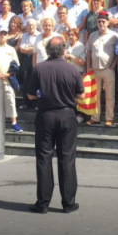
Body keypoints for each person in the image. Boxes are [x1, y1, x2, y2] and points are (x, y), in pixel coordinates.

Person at [26, 36, 85, 214]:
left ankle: (42, 202)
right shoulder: (72, 70)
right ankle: (68, 203)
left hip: (45, 115)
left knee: (44, 158)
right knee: (67, 158)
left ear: (48, 51)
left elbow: (30, 96)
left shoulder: (39, 68)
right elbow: (81, 96)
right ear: (63, 50)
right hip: (67, 115)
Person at [0, 29, 22, 133]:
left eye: (4, 35)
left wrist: (7, 74)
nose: (2, 36)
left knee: (10, 100)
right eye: (0, 34)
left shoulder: (11, 49)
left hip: (7, 80)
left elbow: (15, 65)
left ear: (7, 37)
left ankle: (14, 123)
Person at [86, 12, 118, 126]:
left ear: (108, 23)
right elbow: (89, 51)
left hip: (108, 69)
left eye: (103, 21)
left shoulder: (114, 36)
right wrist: (88, 67)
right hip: (94, 69)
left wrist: (114, 65)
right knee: (95, 96)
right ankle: (95, 117)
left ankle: (109, 118)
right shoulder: (92, 35)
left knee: (109, 96)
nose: (101, 23)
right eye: (99, 21)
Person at [19, 19, 40, 109]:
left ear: (36, 26)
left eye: (32, 25)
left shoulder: (40, 35)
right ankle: (26, 103)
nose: (31, 27)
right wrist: (32, 48)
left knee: (37, 80)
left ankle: (37, 103)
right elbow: (21, 49)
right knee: (26, 79)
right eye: (29, 25)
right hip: (27, 58)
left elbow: (38, 49)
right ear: (26, 26)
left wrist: (29, 48)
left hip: (37, 58)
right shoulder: (24, 35)